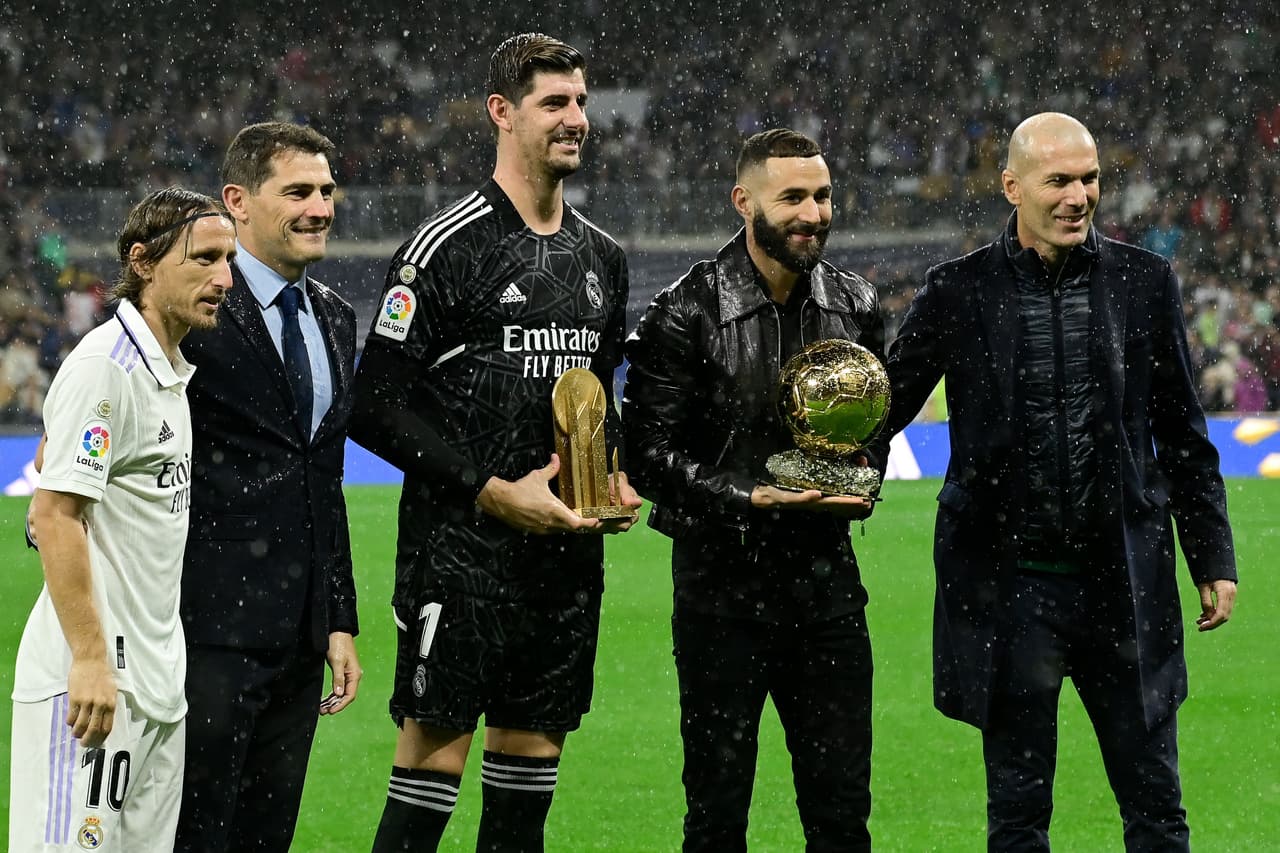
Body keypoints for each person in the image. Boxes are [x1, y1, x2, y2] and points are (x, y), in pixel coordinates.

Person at [879, 112, 1238, 851]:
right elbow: (884, 404)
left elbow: (1183, 433)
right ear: (1013, 187)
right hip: (1012, 591)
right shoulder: (958, 290)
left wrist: (1213, 557)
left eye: (1090, 179)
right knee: (1016, 815)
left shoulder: (1144, 281)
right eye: (1059, 181)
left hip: (1124, 585)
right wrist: (825, 462)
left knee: (1157, 809)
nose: (1079, 196)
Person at [351, 33, 641, 852]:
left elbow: (595, 397)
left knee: (524, 802)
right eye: (554, 103)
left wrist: (609, 475)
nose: (575, 119)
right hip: (460, 559)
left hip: (564, 567)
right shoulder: (444, 248)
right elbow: (373, 406)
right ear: (502, 113)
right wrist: (487, 486)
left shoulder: (602, 259)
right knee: (426, 788)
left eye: (581, 102)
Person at [623, 128, 883, 853]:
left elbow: (873, 433)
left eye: (823, 195)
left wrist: (865, 483)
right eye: (793, 197)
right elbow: (645, 453)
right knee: (716, 817)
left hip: (828, 594)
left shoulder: (856, 304)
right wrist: (746, 498)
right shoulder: (686, 309)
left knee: (841, 817)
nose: (814, 213)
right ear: (744, 201)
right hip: (719, 597)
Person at [10, 188, 236, 852]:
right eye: (204, 259)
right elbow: (53, 517)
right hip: (91, 690)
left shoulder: (168, 371)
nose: (223, 278)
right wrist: (88, 659)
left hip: (157, 690)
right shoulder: (106, 369)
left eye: (227, 260)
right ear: (143, 261)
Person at [174, 122, 362, 852]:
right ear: (237, 202)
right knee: (194, 830)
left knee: (267, 834)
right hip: (206, 628)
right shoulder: (191, 311)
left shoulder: (337, 318)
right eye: (297, 191)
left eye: (325, 190)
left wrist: (338, 617)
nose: (319, 207)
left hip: (298, 637)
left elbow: (326, 477)